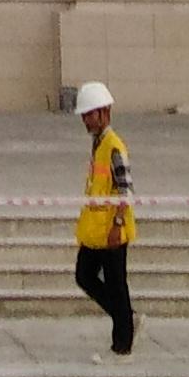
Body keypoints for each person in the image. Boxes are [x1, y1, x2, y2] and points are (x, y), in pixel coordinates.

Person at [71, 79, 135, 354]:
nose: (86, 120)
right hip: (95, 230)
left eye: (90, 114)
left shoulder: (113, 146)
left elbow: (126, 190)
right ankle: (126, 319)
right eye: (84, 115)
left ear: (104, 112)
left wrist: (117, 224)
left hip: (112, 230)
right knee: (84, 275)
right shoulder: (98, 145)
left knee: (116, 284)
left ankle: (122, 344)